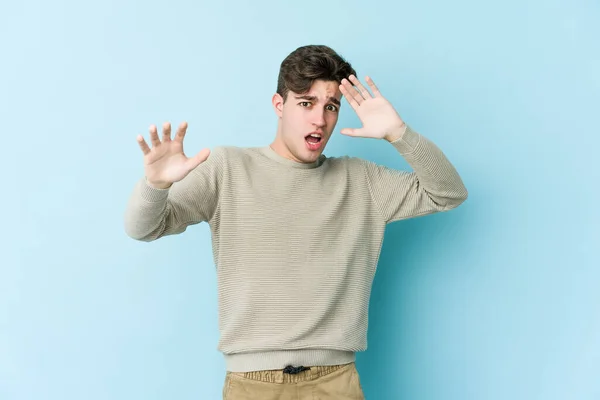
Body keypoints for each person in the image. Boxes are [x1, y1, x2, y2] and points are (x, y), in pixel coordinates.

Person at [124, 44, 468, 399]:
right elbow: (143, 227)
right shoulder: (226, 169)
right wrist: (156, 185)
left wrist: (400, 133)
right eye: (306, 103)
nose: (319, 119)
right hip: (251, 383)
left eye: (331, 106)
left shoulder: (361, 180)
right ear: (279, 105)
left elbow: (448, 193)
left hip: (335, 382)